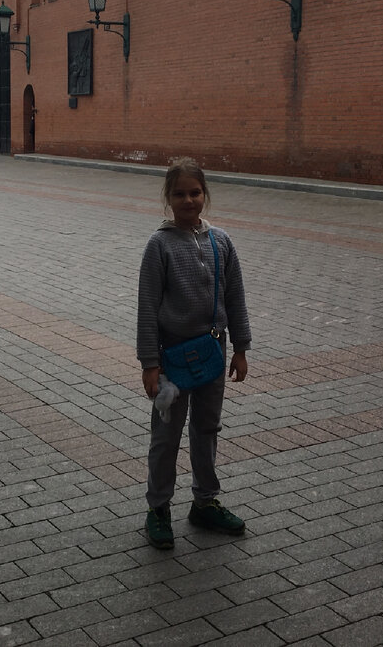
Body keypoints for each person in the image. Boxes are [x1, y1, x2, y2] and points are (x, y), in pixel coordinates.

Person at [137, 157, 252, 549]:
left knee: (206, 429)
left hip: (213, 353)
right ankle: (158, 509)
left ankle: (204, 501)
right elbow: (148, 306)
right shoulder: (159, 245)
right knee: (166, 436)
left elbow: (235, 296)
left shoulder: (221, 240)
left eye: (195, 192)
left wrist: (241, 347)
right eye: (180, 194)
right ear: (168, 198)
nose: (189, 200)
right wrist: (149, 363)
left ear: (205, 194)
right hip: (171, 359)